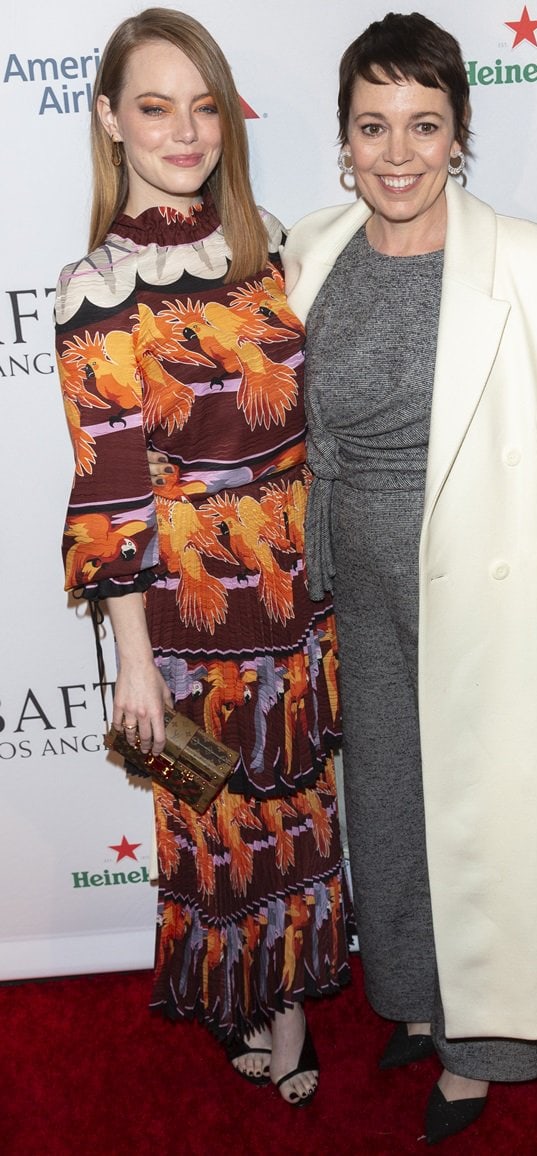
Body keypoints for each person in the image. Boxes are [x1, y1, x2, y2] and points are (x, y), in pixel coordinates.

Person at [280, 11, 537, 1144]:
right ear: (343, 138)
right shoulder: (312, 249)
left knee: (492, 827)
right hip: (360, 591)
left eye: (423, 125)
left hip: (493, 604)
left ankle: (487, 1048)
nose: (397, 153)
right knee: (391, 814)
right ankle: (419, 999)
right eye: (373, 126)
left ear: (459, 134)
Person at [55, 7, 351, 1107]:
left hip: (298, 597)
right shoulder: (94, 289)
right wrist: (134, 663)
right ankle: (254, 997)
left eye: (203, 106)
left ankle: (290, 999)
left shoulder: (263, 240)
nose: (185, 131)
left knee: (303, 813)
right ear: (109, 121)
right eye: (153, 106)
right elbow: (110, 489)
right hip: (187, 624)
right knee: (217, 820)